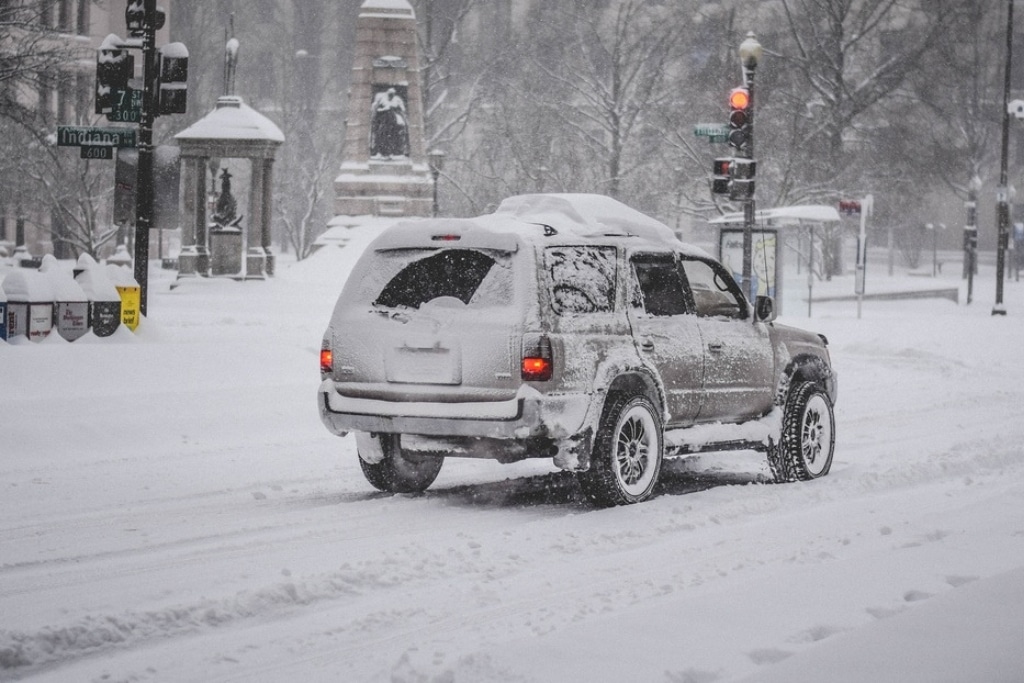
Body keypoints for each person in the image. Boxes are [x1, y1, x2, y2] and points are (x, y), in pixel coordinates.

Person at [370, 87, 409, 159]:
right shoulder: (381, 98)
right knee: (381, 137)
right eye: (390, 94)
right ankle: (381, 152)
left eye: (392, 94)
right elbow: (375, 109)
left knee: (394, 138)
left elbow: (402, 110)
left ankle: (395, 152)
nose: (391, 96)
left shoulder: (397, 100)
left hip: (394, 124)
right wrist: (385, 109)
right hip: (384, 122)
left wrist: (394, 110)